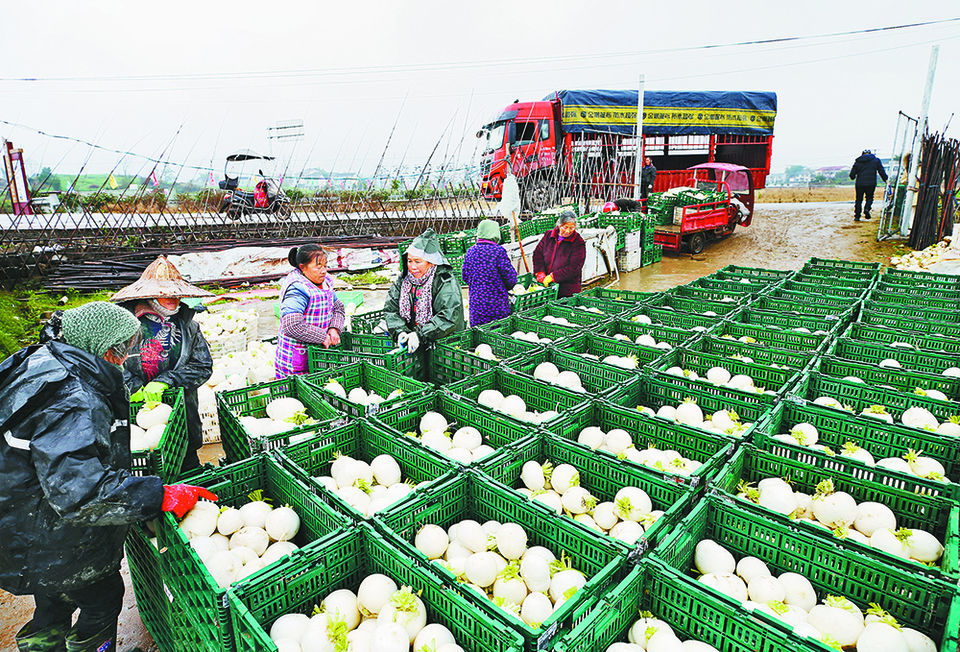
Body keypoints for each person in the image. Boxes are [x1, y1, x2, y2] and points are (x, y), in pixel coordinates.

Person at [1, 301, 217, 652]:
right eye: (121, 352)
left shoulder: (43, 361)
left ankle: (42, 645)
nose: (122, 360)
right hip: (42, 526)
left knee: (54, 596)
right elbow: (81, 492)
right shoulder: (71, 399)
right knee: (102, 597)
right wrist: (158, 495)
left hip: (24, 516)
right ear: (102, 348)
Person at [112, 256, 215, 473]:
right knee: (145, 464)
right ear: (148, 294)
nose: (172, 298)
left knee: (188, 466)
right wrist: (133, 386)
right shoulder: (125, 326)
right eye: (164, 292)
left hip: (183, 416)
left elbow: (202, 366)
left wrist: (165, 381)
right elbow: (110, 364)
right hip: (136, 413)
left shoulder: (189, 327)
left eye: (175, 292)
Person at [384, 229, 465, 369]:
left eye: (418, 261)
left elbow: (448, 316)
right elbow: (391, 309)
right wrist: (400, 331)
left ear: (431, 263)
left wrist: (420, 334)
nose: (412, 267)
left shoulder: (445, 281)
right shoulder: (403, 280)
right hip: (415, 345)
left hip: (443, 346)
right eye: (409, 261)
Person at [275, 245, 345, 379]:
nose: (323, 271)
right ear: (302, 267)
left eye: (325, 266)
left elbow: (338, 307)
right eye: (318, 267)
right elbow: (292, 325)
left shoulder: (325, 282)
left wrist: (334, 328)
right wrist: (322, 337)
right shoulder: (297, 289)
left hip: (317, 357)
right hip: (296, 360)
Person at [462, 219, 518, 327]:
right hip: (497, 307)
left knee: (480, 338)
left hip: (476, 307)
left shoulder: (470, 251)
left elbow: (465, 275)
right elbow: (510, 279)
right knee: (497, 336)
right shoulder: (498, 251)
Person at [533, 211, 587, 299]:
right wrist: (540, 272)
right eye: (565, 227)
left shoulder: (578, 243)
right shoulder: (548, 236)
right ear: (559, 224)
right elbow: (537, 254)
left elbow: (574, 268)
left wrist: (553, 277)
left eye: (571, 228)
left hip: (567, 291)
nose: (567, 231)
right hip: (547, 288)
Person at [849, 149, 888, 221]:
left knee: (858, 200)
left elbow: (852, 175)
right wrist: (885, 179)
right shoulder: (876, 160)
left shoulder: (858, 162)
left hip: (860, 183)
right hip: (871, 183)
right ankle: (867, 209)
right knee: (869, 198)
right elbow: (881, 171)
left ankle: (857, 216)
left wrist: (853, 177)